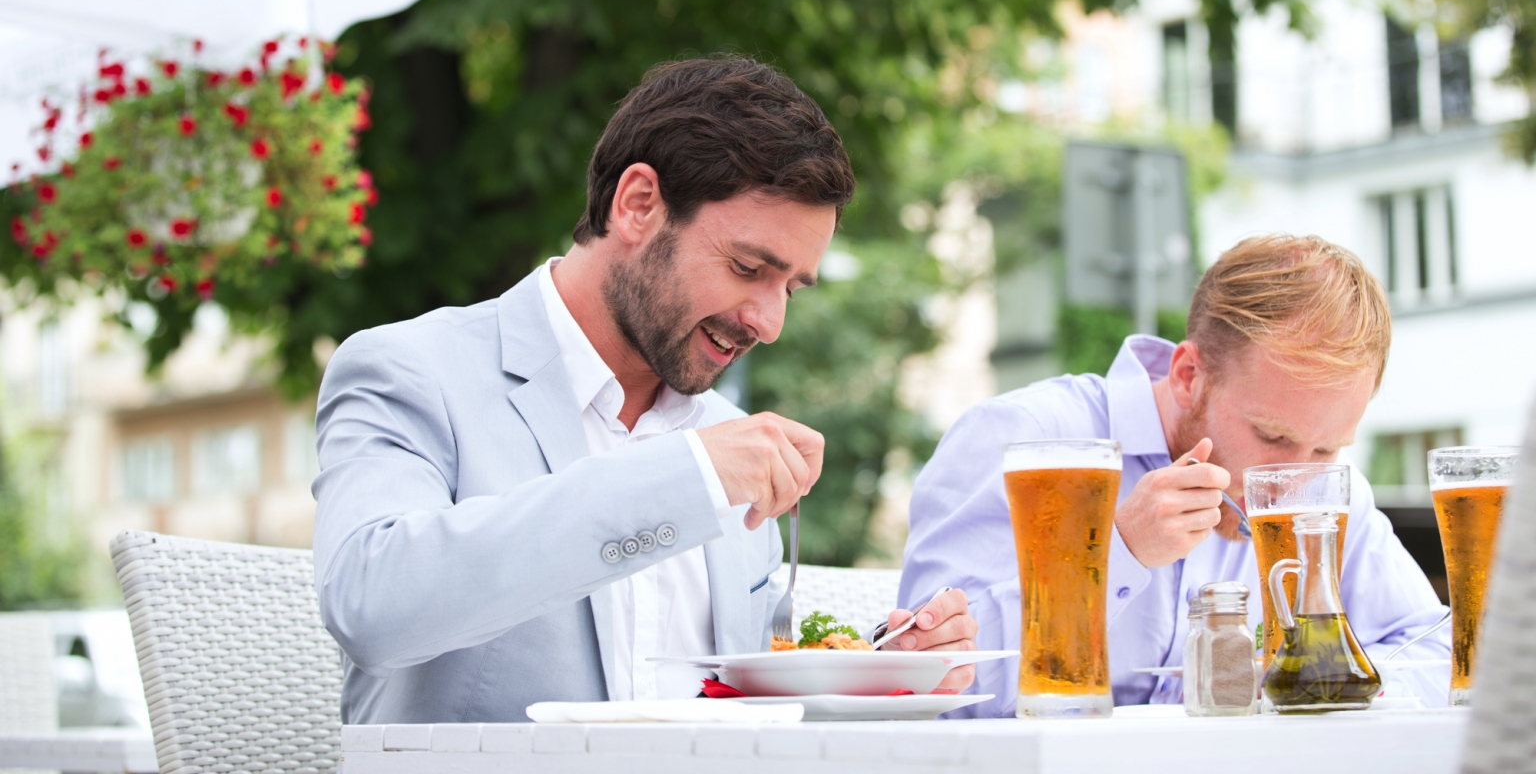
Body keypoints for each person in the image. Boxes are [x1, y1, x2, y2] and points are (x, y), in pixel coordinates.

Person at [312, 56, 976, 724]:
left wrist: (879, 676)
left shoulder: (728, 439)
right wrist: (683, 479)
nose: (769, 324)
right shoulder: (408, 371)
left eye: (791, 288)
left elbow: (747, 707)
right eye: (748, 267)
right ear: (637, 205)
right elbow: (372, 606)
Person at [901, 233, 1452, 715]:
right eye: (1273, 436)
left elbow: (1436, 650)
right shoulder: (1025, 440)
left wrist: (1332, 681)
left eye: (1327, 448)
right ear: (1187, 375)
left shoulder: (1326, 495)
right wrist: (1117, 550)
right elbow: (927, 681)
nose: (1295, 478)